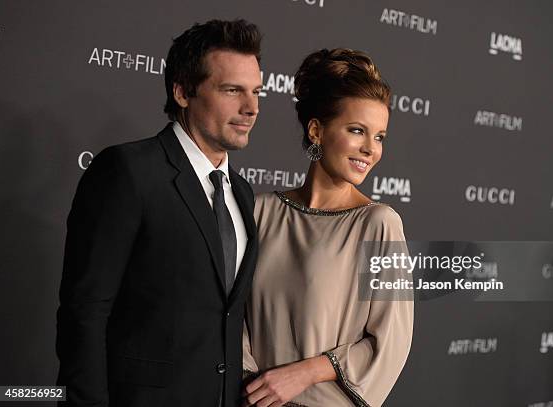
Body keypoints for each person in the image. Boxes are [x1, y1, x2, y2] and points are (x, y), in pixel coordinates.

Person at [56, 19, 262, 407]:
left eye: (256, 92)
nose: (251, 108)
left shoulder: (244, 193)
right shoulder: (128, 171)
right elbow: (85, 313)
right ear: (183, 92)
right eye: (232, 90)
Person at [242, 48, 414, 406]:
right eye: (357, 131)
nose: (370, 149)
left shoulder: (379, 224)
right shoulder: (260, 211)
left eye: (379, 136)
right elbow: (229, 316)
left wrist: (302, 374)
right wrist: (251, 384)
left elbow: (390, 341)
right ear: (317, 130)